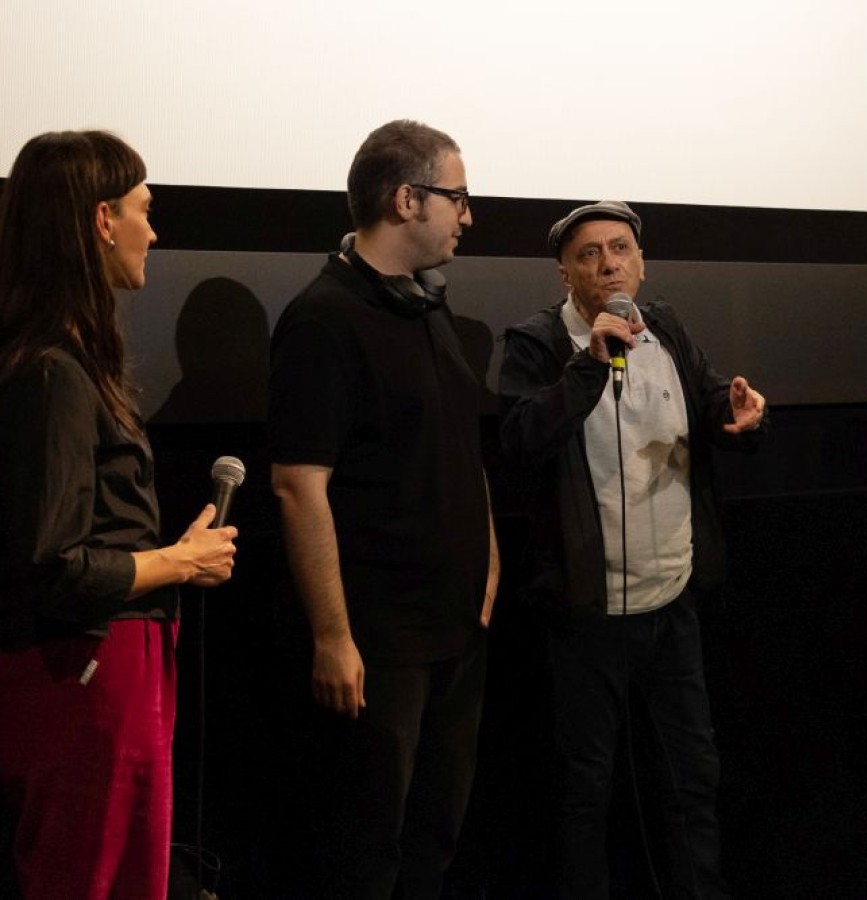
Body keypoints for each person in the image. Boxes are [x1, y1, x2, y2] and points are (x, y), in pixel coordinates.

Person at [499, 200, 767, 898]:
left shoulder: (667, 328)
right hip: (587, 614)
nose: (608, 263)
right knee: (584, 793)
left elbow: (709, 399)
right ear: (566, 274)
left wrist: (735, 415)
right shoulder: (536, 343)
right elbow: (520, 439)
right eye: (589, 254)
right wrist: (590, 366)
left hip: (671, 602)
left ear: (641, 265)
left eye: (620, 249)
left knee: (691, 779)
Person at [0, 130, 239, 900]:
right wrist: (179, 561)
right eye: (145, 209)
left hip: (118, 665)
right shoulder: (51, 374)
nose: (154, 230)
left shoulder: (68, 363)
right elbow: (51, 566)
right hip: (88, 678)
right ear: (103, 221)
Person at [268, 119, 499, 899]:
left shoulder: (427, 306)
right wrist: (333, 635)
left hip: (458, 629)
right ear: (408, 198)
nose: (468, 215)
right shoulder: (324, 318)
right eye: (457, 197)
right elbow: (299, 487)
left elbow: (461, 450)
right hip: (384, 643)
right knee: (368, 852)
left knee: (436, 841)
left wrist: (489, 563)